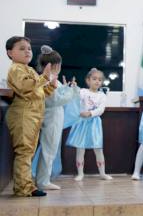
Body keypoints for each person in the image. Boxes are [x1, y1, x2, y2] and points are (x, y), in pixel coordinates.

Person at [5, 36, 57, 197]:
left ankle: (27, 186)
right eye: (21, 48)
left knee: (28, 151)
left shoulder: (29, 70)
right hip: (23, 114)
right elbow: (26, 87)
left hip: (32, 116)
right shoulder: (16, 69)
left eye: (29, 48)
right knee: (24, 151)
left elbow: (38, 93)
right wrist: (44, 78)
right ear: (10, 53)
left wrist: (50, 87)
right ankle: (23, 188)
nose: (27, 51)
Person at [34, 45, 79, 190]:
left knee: (51, 149)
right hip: (51, 118)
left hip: (54, 117)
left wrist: (67, 89)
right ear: (54, 65)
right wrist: (71, 92)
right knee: (49, 149)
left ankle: (44, 179)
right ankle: (43, 181)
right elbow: (54, 100)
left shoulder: (51, 78)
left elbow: (58, 95)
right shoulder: (48, 79)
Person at [66, 68, 112, 181]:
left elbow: (101, 109)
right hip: (81, 123)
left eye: (100, 79)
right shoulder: (83, 92)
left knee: (98, 148)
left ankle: (102, 173)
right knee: (80, 148)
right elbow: (75, 97)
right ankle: (80, 174)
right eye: (94, 79)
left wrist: (90, 113)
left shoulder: (102, 95)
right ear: (88, 80)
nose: (97, 81)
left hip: (94, 124)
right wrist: (74, 88)